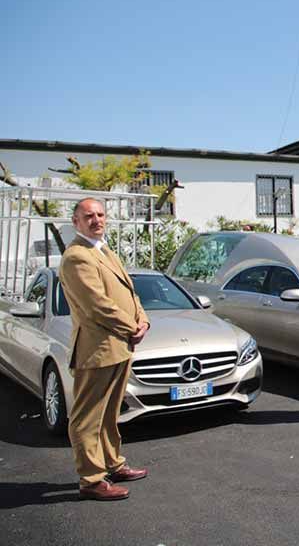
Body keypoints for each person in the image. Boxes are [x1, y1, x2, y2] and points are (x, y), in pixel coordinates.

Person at [58, 198, 150, 501]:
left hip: (119, 347)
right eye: (88, 216)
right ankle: (91, 479)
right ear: (76, 222)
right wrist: (131, 327)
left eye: (100, 215)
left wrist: (143, 319)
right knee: (87, 418)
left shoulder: (104, 251)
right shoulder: (76, 257)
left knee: (110, 414)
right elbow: (97, 306)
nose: (96, 220)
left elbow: (130, 292)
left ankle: (112, 463)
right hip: (97, 349)